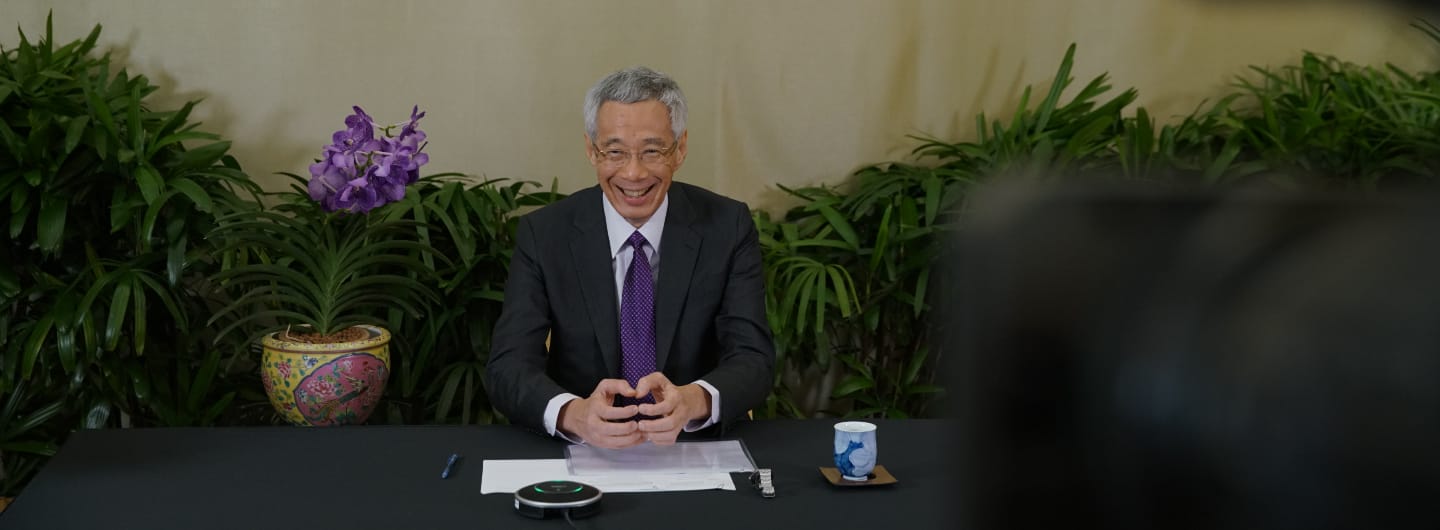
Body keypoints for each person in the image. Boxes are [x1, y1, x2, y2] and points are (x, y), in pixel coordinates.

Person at [486, 66, 775, 449]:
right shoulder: (545, 235)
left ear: (681, 149)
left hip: (692, 450)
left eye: (653, 151)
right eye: (615, 152)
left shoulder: (727, 226)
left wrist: (693, 401)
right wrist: (575, 416)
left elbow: (754, 357)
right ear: (592, 151)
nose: (634, 173)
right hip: (581, 451)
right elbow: (507, 367)